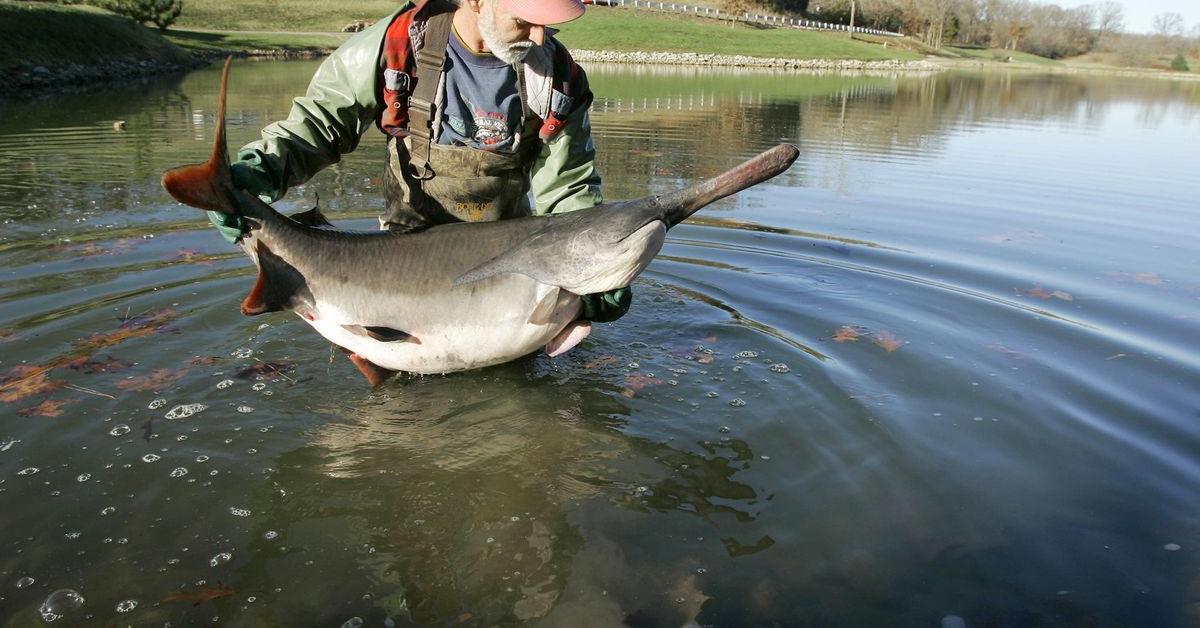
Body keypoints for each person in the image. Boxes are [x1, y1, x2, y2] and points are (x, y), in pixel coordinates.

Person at [208, 0, 630, 322]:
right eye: (525, 19)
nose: (540, 37)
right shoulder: (396, 48)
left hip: (507, 280)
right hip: (394, 274)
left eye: (551, 22)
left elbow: (568, 189)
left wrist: (595, 269)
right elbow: (316, 126)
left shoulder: (558, 78)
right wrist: (259, 170)